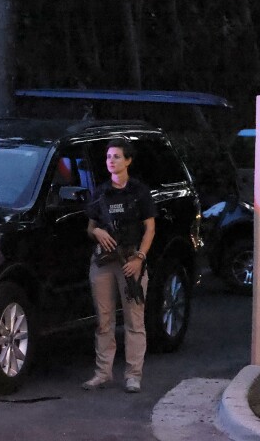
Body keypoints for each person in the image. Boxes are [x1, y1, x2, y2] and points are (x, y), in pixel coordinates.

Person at [83, 138, 156, 393]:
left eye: (116, 156)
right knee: (104, 321)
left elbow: (149, 228)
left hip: (130, 261)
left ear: (128, 160)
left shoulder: (139, 191)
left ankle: (133, 375)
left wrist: (140, 258)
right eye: (108, 157)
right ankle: (103, 373)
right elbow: (90, 226)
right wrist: (98, 233)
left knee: (134, 320)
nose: (111, 161)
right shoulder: (101, 192)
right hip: (104, 261)